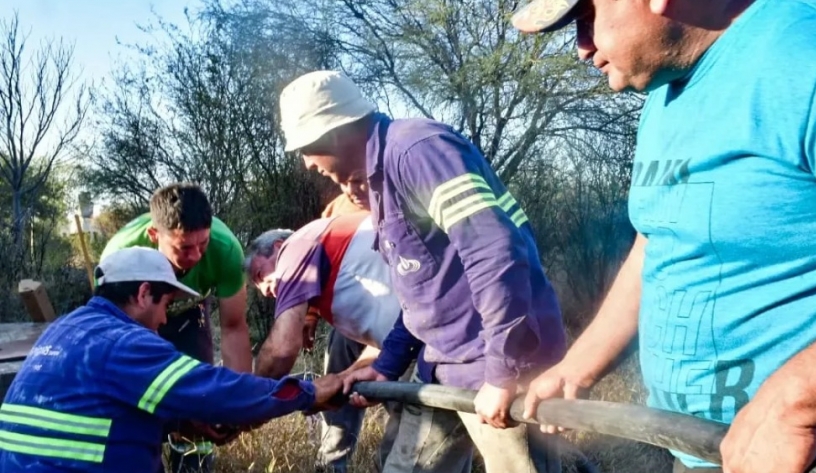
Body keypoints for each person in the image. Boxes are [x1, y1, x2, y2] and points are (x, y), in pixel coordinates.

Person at [510, 0, 816, 472]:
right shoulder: (665, 96)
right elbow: (659, 242)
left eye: (587, 18)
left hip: (812, 455)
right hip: (700, 449)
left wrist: (796, 402)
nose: (582, 49)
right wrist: (576, 366)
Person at [278, 70, 595, 473]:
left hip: (496, 363)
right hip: (446, 367)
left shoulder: (417, 151)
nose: (307, 162)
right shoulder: (380, 182)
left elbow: (494, 250)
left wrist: (501, 373)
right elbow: (425, 293)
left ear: (335, 132)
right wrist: (386, 363)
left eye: (307, 147)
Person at [0, 247, 343, 473]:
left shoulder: (64, 329)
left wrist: (179, 424)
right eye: (165, 305)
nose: (164, 320)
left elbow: (91, 414)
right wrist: (309, 393)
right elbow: (219, 391)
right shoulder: (124, 343)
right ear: (144, 293)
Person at [99, 183, 252, 472]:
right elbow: (121, 343)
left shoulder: (226, 249)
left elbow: (234, 328)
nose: (195, 256)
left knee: (201, 395)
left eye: (202, 245)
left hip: (191, 312)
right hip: (135, 323)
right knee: (142, 404)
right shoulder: (121, 255)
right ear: (154, 236)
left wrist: (238, 402)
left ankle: (194, 465)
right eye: (183, 248)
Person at [243, 212, 407, 472]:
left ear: (278, 247)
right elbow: (382, 328)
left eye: (260, 275)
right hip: (404, 331)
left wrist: (249, 405)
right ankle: (331, 465)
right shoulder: (338, 275)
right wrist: (343, 378)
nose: (264, 291)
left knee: (411, 433)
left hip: (424, 335)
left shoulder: (297, 245)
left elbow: (281, 350)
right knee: (340, 346)